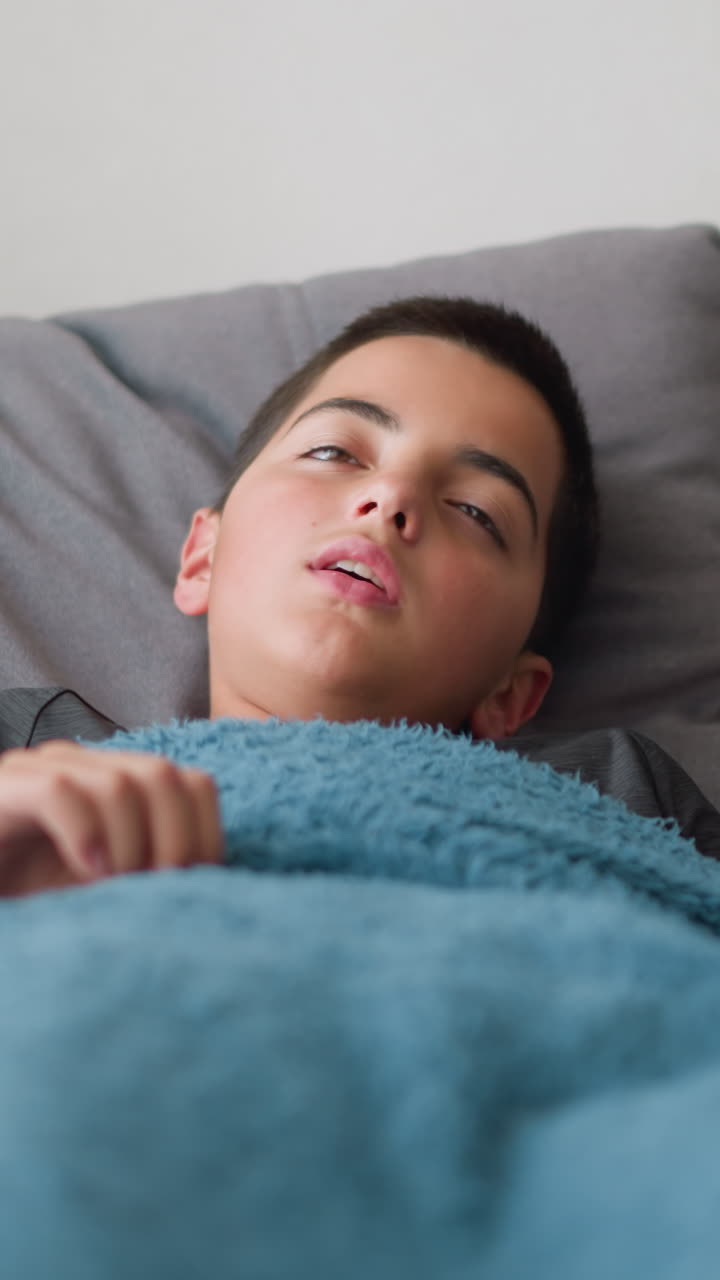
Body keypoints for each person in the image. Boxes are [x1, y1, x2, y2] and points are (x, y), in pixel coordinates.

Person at [0, 296, 717, 898]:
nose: (392, 495)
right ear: (202, 559)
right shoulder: (38, 754)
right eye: (333, 452)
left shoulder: (615, 788)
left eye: (475, 511)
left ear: (510, 692)